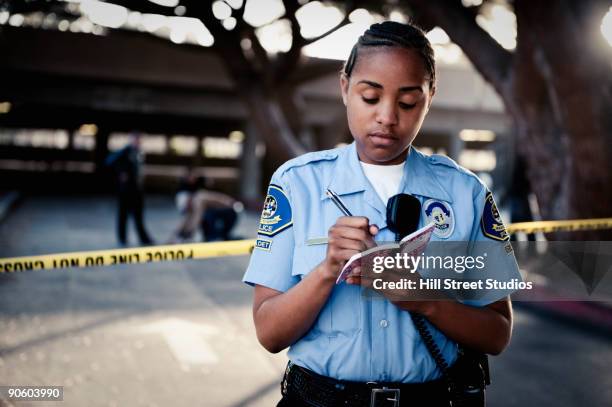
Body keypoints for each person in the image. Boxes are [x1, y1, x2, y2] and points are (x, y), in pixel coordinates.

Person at [243, 21, 520, 407]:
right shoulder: (296, 184)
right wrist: (326, 270)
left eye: (408, 102)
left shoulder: (465, 194)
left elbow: (498, 332)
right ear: (344, 88)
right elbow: (269, 333)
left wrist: (427, 301)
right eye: (370, 97)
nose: (387, 117)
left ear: (430, 96)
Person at [105, 132, 153, 246]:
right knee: (123, 215)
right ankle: (122, 239)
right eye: (136, 140)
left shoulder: (139, 153)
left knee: (139, 216)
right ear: (131, 140)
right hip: (126, 190)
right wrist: (120, 173)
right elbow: (109, 161)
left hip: (137, 190)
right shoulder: (125, 151)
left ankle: (144, 238)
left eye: (139, 140)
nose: (138, 142)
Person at [170, 169, 242, 242]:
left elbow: (210, 190)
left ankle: (184, 235)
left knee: (195, 211)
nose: (192, 178)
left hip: (199, 203)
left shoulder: (200, 182)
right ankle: (185, 235)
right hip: (191, 200)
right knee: (194, 210)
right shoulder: (185, 187)